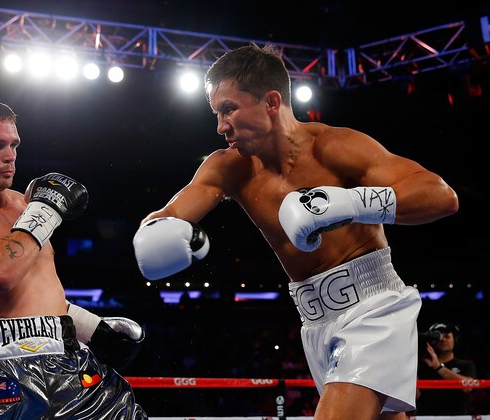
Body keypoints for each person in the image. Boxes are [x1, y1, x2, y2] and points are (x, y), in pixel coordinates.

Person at [132, 44, 459, 419]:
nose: (221, 126)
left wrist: (349, 204)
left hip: (374, 306)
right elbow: (167, 216)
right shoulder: (229, 168)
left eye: (229, 109)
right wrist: (157, 234)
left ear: (271, 102)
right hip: (314, 321)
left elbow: (439, 195)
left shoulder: (334, 147)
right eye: (217, 113)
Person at [0, 95, 147, 418]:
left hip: (68, 358)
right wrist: (47, 210)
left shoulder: (23, 205)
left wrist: (95, 329)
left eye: (14, 145)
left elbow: (36, 292)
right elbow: (0, 272)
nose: (10, 157)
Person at [416, 322, 477, 415]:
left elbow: (468, 387)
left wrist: (439, 368)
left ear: (455, 340)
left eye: (447, 336)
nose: (443, 339)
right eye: (438, 337)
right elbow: (415, 396)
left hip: (457, 417)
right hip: (427, 417)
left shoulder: (466, 365)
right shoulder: (420, 365)